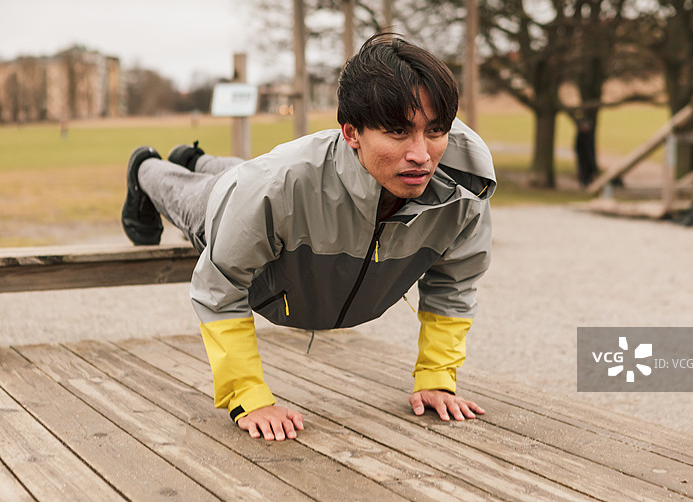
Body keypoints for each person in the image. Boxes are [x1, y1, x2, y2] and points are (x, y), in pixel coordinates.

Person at [121, 33, 495, 441]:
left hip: (272, 183)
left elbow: (454, 283)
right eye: (398, 133)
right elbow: (219, 286)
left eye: (435, 131)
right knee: (189, 191)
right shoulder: (273, 187)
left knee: (254, 178)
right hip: (248, 209)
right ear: (351, 133)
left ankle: (194, 158)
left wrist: (437, 377)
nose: (421, 154)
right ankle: (146, 167)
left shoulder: (465, 190)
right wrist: (247, 394)